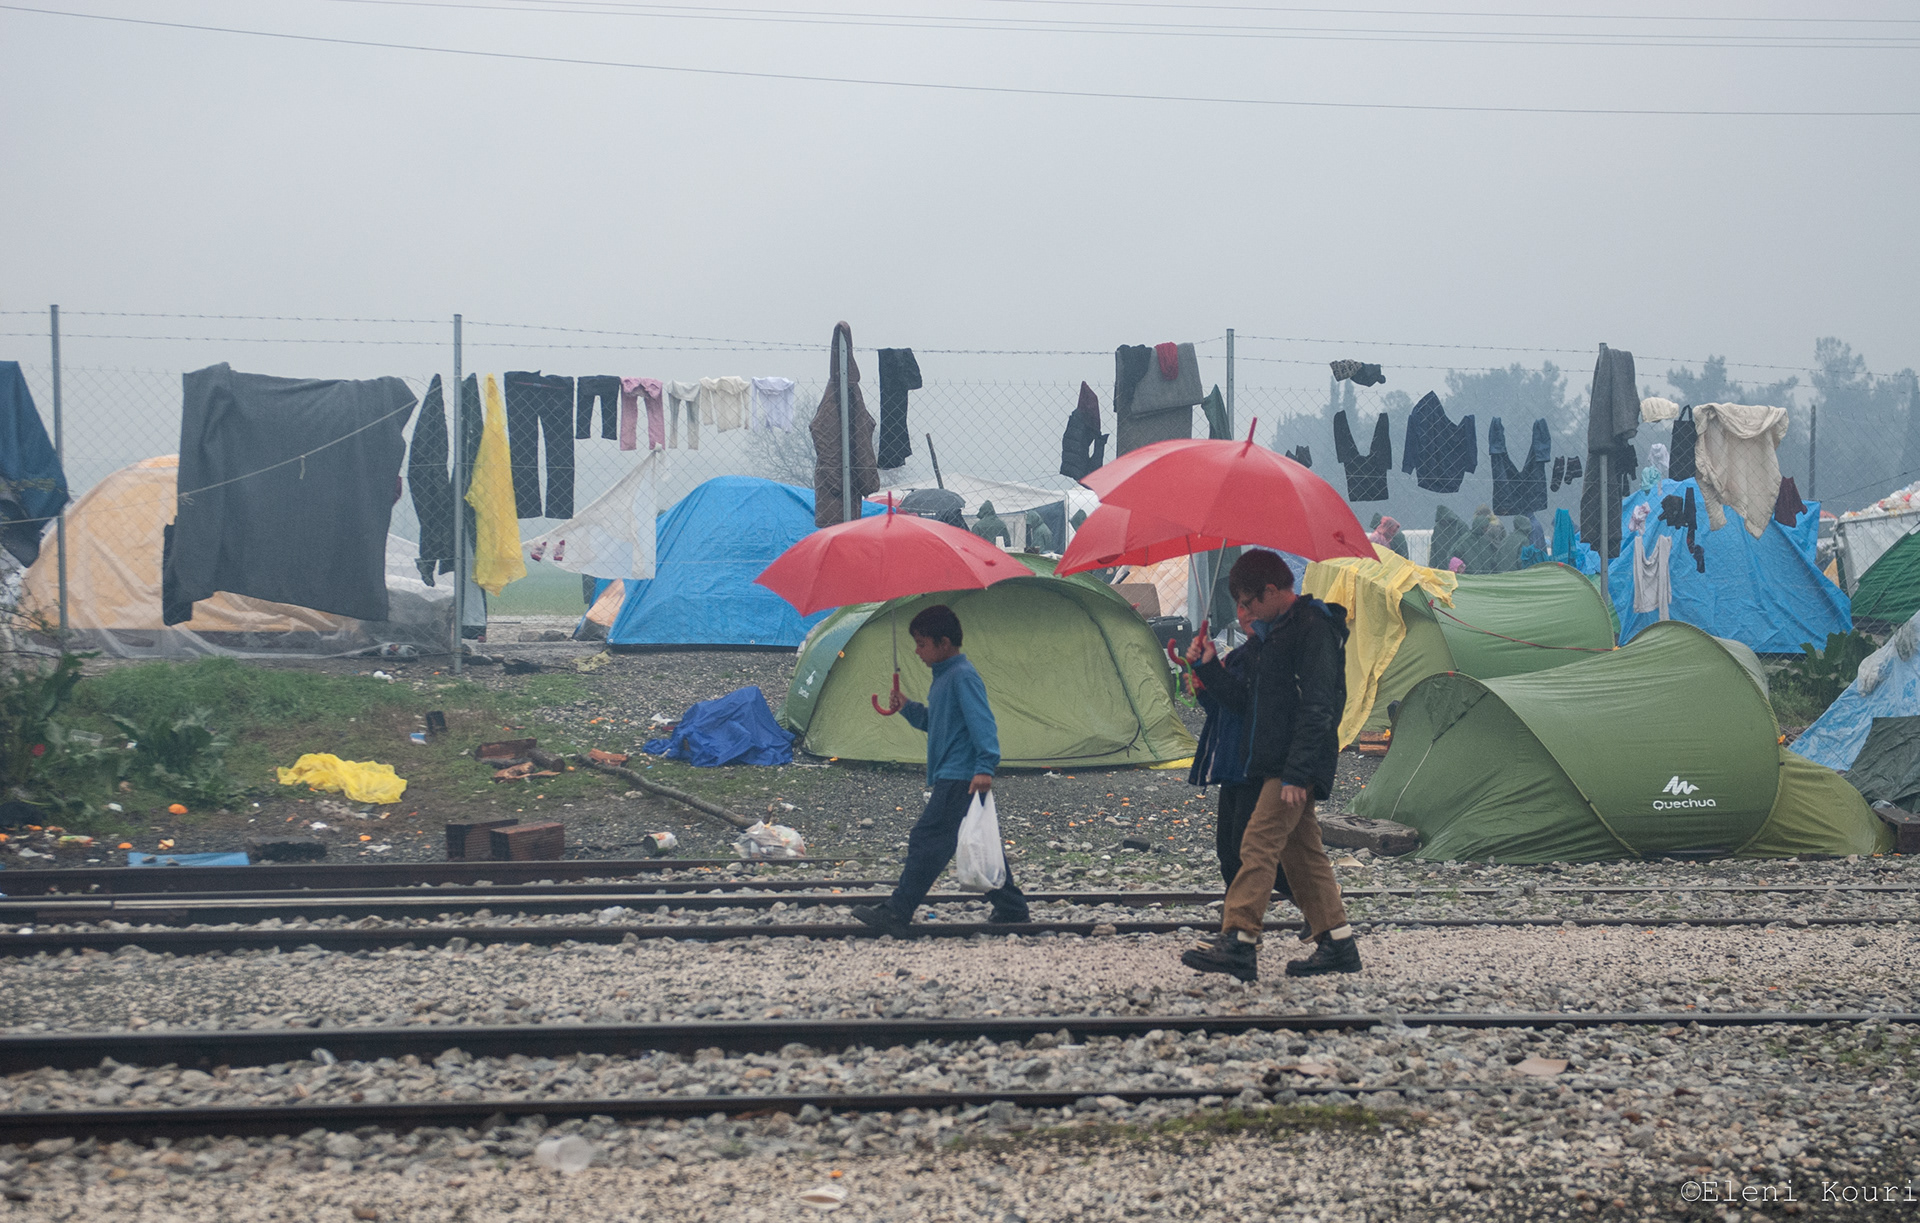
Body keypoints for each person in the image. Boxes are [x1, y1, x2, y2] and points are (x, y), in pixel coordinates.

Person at [1180, 550, 1359, 981]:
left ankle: (1239, 939)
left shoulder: (1312, 628)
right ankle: (1337, 943)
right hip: (1275, 762)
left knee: (1257, 844)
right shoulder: (1276, 633)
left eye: (1249, 602)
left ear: (1274, 591)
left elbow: (1320, 706)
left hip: (1291, 765)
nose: (1244, 612)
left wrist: (1298, 773)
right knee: (1303, 856)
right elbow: (1247, 703)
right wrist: (1208, 669)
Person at [852, 605, 1028, 937]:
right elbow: (941, 723)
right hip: (956, 772)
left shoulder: (962, 675)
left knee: (927, 839)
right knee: (974, 841)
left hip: (960, 775)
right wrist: (908, 708)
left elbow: (983, 723)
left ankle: (898, 911)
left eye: (922, 644)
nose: (917, 652)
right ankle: (1012, 908)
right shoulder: (946, 676)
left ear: (943, 643)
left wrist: (985, 766)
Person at [1187, 601, 1295, 909]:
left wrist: (1209, 670)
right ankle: (1242, 923)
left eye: (1253, 606)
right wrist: (1203, 683)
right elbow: (1221, 711)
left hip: (1257, 767)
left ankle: (1243, 928)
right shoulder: (1238, 656)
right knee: (1230, 852)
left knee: (1250, 851)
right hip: (1233, 767)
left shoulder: (1273, 655)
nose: (1245, 615)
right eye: (1240, 607)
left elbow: (1244, 702)